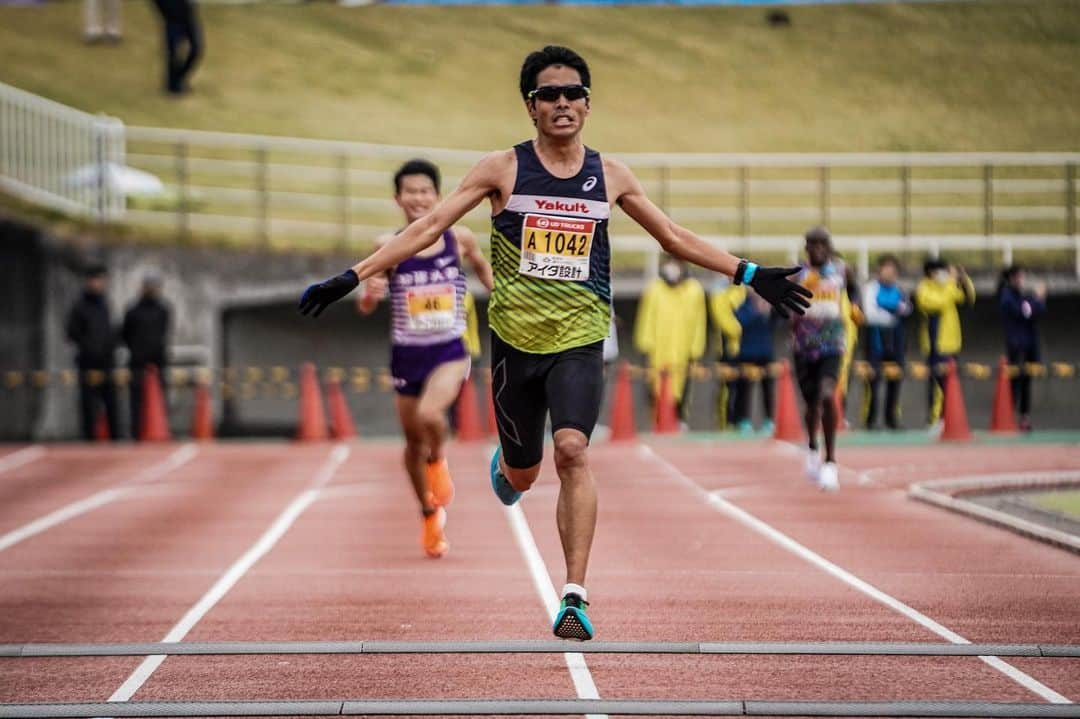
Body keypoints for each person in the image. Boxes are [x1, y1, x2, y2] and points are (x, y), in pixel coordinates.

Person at [300, 46, 810, 639]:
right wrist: (354, 275)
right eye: (549, 95)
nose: (561, 103)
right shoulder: (502, 170)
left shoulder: (610, 175)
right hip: (514, 343)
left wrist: (747, 272)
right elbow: (430, 226)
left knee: (573, 449)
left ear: (588, 106)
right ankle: (509, 470)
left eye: (572, 94)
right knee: (523, 475)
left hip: (581, 336)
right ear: (530, 106)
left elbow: (671, 236)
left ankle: (574, 595)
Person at [354, 159, 494, 559]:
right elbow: (366, 303)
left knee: (431, 418)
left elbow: (485, 273)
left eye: (425, 191)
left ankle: (439, 461)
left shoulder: (459, 239)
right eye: (409, 192)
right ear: (398, 198)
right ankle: (429, 514)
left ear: (437, 196)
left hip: (450, 348)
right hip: (406, 352)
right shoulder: (387, 245)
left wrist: (503, 297)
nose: (417, 198)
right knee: (411, 441)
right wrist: (370, 295)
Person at [790, 226, 859, 492]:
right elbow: (784, 304)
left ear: (829, 247)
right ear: (806, 247)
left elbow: (854, 293)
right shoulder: (798, 273)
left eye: (823, 244)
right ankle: (812, 447)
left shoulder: (842, 271)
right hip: (803, 345)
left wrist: (855, 308)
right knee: (811, 403)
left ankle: (830, 463)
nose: (818, 249)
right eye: (813, 244)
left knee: (828, 395)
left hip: (833, 344)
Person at [633, 256, 707, 426]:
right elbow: (646, 318)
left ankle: (680, 420)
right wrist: (645, 343)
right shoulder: (654, 289)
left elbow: (699, 322)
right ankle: (657, 420)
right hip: (658, 350)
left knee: (682, 386)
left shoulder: (694, 290)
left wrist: (696, 348)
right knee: (655, 387)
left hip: (684, 350)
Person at [915, 258, 975, 430]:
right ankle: (934, 420)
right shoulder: (924, 288)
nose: (944, 275)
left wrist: (964, 279)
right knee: (936, 384)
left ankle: (948, 419)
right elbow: (936, 303)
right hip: (935, 345)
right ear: (930, 273)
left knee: (950, 384)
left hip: (951, 343)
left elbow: (968, 297)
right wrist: (951, 283)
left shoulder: (948, 286)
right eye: (939, 271)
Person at [66, 264, 120, 441]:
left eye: (101, 280)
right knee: (88, 404)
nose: (98, 283)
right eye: (95, 280)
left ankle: (116, 438)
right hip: (87, 361)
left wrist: (110, 346)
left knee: (111, 402)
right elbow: (71, 332)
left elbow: (110, 331)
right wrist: (88, 346)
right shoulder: (80, 306)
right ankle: (89, 439)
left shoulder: (105, 304)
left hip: (106, 360)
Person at [862, 255, 911, 430]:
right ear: (879, 270)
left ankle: (892, 419)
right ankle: (871, 420)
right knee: (873, 382)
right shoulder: (871, 289)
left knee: (895, 380)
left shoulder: (899, 289)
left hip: (896, 343)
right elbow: (870, 315)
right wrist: (892, 311)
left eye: (893, 270)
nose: (890, 273)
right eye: (886, 269)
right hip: (876, 342)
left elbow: (907, 309)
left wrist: (886, 307)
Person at [122, 274, 172, 441]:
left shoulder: (163, 309)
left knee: (159, 399)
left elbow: (164, 333)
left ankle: (160, 431)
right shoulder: (133, 311)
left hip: (158, 361)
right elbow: (125, 334)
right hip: (137, 362)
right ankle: (137, 433)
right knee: (136, 401)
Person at [997, 264, 1045, 431]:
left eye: (1022, 276)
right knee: (1014, 383)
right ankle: (1008, 416)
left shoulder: (1023, 296)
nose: (1021, 280)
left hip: (1029, 344)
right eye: (1018, 277)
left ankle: (1024, 417)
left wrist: (1036, 302)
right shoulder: (1007, 296)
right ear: (1011, 278)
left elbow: (1038, 310)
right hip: (1016, 345)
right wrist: (1038, 299)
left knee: (1026, 382)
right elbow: (1024, 312)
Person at [731, 288, 775, 435]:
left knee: (768, 388)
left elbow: (779, 321)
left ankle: (769, 420)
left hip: (765, 352)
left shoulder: (769, 304)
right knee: (744, 389)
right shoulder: (744, 305)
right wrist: (757, 311)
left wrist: (769, 311)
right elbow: (741, 320)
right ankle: (743, 420)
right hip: (747, 352)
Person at [708, 276, 745, 430]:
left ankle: (739, 421)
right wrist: (738, 330)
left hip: (744, 347)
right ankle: (725, 423)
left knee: (743, 387)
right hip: (725, 348)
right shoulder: (718, 292)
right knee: (726, 388)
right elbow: (723, 318)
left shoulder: (741, 290)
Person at [151, 0, 203, 95]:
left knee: (195, 48)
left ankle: (176, 80)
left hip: (185, 12)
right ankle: (173, 83)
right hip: (173, 14)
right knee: (174, 51)